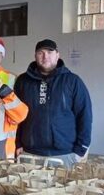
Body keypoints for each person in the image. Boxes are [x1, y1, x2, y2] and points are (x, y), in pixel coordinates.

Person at [14, 39, 92, 167]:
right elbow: (16, 116)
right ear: (35, 56)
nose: (45, 56)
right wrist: (18, 144)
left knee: (63, 187)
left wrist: (80, 150)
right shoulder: (22, 81)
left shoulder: (73, 81)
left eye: (50, 52)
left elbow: (85, 116)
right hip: (29, 153)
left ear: (57, 55)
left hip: (64, 155)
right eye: (41, 53)